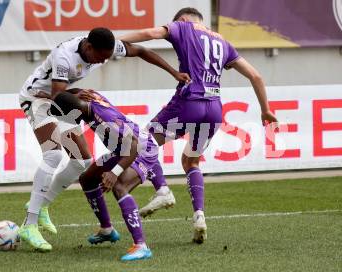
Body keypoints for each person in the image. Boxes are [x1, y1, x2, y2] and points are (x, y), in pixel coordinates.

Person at [17, 27, 190, 251]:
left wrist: (174, 73)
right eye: (100, 57)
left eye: (107, 57)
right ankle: (29, 224)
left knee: (82, 162)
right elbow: (57, 94)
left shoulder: (103, 49)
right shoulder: (64, 57)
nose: (104, 61)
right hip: (38, 99)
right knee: (53, 155)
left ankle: (42, 206)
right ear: (88, 47)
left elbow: (140, 51)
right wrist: (75, 95)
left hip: (65, 100)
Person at [118, 7, 278, 243]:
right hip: (213, 110)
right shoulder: (223, 41)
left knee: (144, 142)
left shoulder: (182, 27)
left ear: (182, 19)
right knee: (191, 161)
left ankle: (162, 190)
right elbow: (256, 76)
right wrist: (265, 109)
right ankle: (199, 216)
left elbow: (149, 33)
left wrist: (115, 40)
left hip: (188, 103)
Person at [50, 88, 165, 261]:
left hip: (142, 150)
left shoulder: (106, 120)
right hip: (122, 150)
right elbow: (68, 94)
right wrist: (75, 94)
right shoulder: (86, 99)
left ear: (75, 111)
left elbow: (133, 146)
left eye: (68, 118)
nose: (71, 124)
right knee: (87, 179)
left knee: (119, 186)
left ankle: (141, 246)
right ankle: (107, 230)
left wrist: (114, 172)